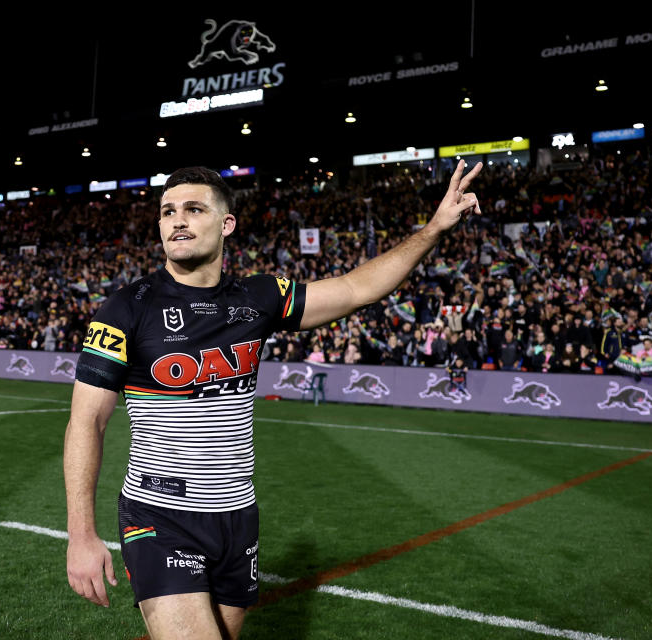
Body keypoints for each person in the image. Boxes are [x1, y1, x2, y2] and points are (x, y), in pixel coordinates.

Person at [63, 162, 482, 639]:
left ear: (226, 225)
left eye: (194, 209)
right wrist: (81, 534)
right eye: (168, 211)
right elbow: (86, 422)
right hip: (160, 516)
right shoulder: (125, 309)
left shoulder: (260, 297)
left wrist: (434, 228)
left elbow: (354, 289)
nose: (177, 220)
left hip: (238, 518)